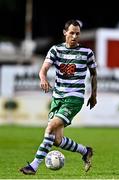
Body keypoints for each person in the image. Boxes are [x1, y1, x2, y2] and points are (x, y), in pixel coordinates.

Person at [20, 19, 97, 175]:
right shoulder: (55, 50)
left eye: (77, 34)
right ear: (65, 33)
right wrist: (43, 78)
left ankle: (33, 166)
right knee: (57, 140)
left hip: (74, 98)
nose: (75, 36)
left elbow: (94, 74)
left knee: (49, 128)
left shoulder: (87, 53)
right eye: (72, 33)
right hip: (57, 98)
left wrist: (94, 94)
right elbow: (43, 69)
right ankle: (85, 151)